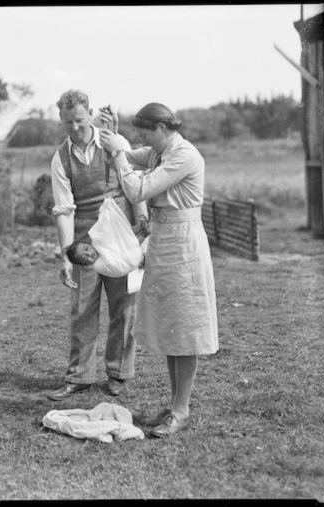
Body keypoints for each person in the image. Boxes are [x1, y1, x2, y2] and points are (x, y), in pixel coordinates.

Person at [99, 102, 219, 437]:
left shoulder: (184, 155)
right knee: (170, 325)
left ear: (163, 128)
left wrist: (119, 152)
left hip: (184, 243)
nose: (144, 142)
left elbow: (137, 188)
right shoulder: (158, 152)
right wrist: (112, 132)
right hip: (164, 239)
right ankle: (174, 406)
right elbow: (125, 152)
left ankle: (182, 409)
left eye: (146, 134)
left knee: (185, 327)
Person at [48, 89, 147, 401]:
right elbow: (64, 209)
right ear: (61, 120)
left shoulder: (113, 142)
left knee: (124, 306)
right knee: (83, 308)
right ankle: (80, 376)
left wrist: (141, 225)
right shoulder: (60, 158)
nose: (75, 128)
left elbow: (135, 184)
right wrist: (66, 255)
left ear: (89, 112)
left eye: (79, 120)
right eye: (68, 123)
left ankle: (119, 373)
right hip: (84, 237)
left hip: (120, 231)